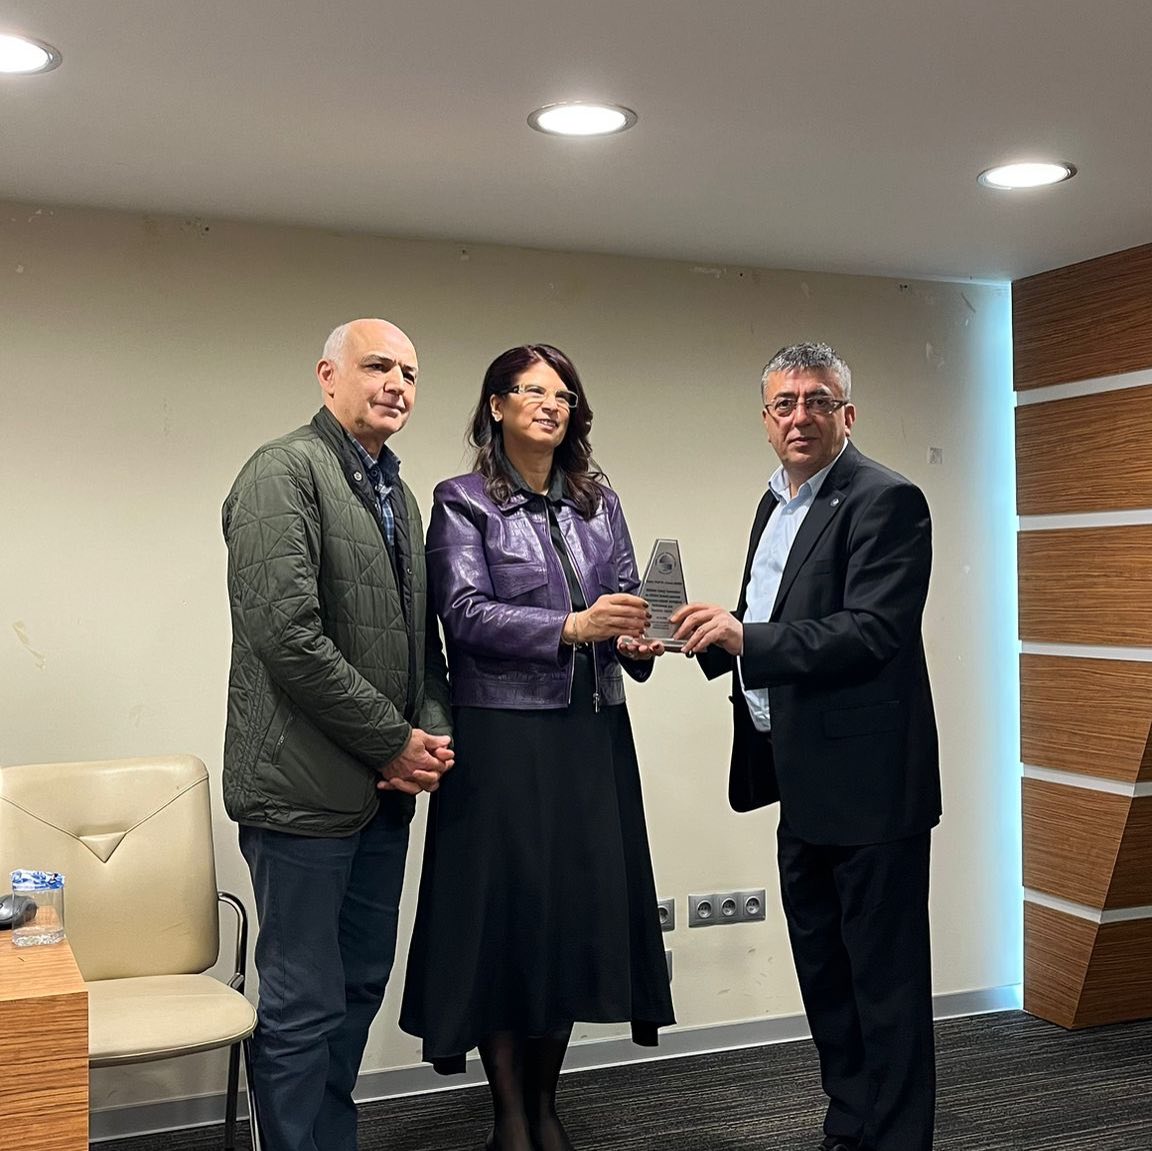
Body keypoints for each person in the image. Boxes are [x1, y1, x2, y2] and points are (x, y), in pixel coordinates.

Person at [400, 343, 675, 1151]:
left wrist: (636, 638)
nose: (551, 405)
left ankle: (546, 1102)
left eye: (563, 395)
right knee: (505, 922)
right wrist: (572, 625)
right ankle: (509, 1115)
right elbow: (463, 613)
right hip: (501, 738)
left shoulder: (599, 502)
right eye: (532, 391)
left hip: (591, 734)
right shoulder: (462, 502)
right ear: (497, 405)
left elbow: (627, 600)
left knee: (569, 917)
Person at [671, 342, 939, 1151]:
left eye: (818, 400)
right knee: (826, 976)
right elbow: (768, 619)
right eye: (784, 403)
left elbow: (871, 632)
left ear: (846, 414)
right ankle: (850, 1128)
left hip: (872, 790)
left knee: (884, 987)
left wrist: (743, 635)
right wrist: (697, 637)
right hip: (799, 780)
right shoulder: (775, 503)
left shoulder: (887, 499)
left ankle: (896, 1139)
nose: (800, 416)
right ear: (765, 419)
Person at [221, 318, 454, 1151]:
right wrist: (391, 740)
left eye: (410, 373)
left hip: (381, 799)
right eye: (378, 365)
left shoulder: (399, 495)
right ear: (328, 376)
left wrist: (429, 735)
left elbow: (420, 643)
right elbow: (287, 635)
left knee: (358, 988)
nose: (397, 384)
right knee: (300, 1002)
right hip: (299, 797)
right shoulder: (281, 471)